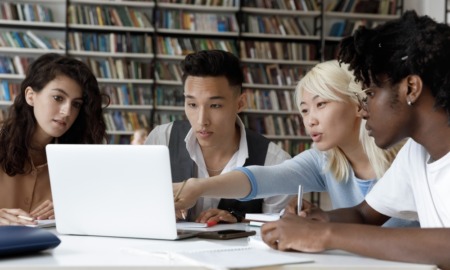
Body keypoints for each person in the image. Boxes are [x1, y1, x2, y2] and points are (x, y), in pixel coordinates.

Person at [177, 11, 450, 269]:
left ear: (411, 88)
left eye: (370, 92)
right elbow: (365, 215)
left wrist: (326, 234)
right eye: (305, 109)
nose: (364, 108)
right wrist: (317, 222)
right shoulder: (416, 154)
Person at [172, 58, 417, 226]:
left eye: (321, 104)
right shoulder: (324, 161)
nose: (310, 120)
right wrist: (198, 187)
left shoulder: (409, 158)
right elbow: (263, 178)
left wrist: (323, 225)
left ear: (358, 103)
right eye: (305, 110)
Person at [146, 50, 292, 223]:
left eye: (215, 105)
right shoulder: (160, 140)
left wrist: (240, 222)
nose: (202, 120)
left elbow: (280, 231)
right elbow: (133, 205)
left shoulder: (275, 163)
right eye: (192, 104)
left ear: (240, 103)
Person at [0, 53, 108, 226]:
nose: (67, 111)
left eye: (76, 104)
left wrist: (72, 210)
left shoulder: (79, 158)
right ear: (30, 96)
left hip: (53, 250)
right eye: (58, 98)